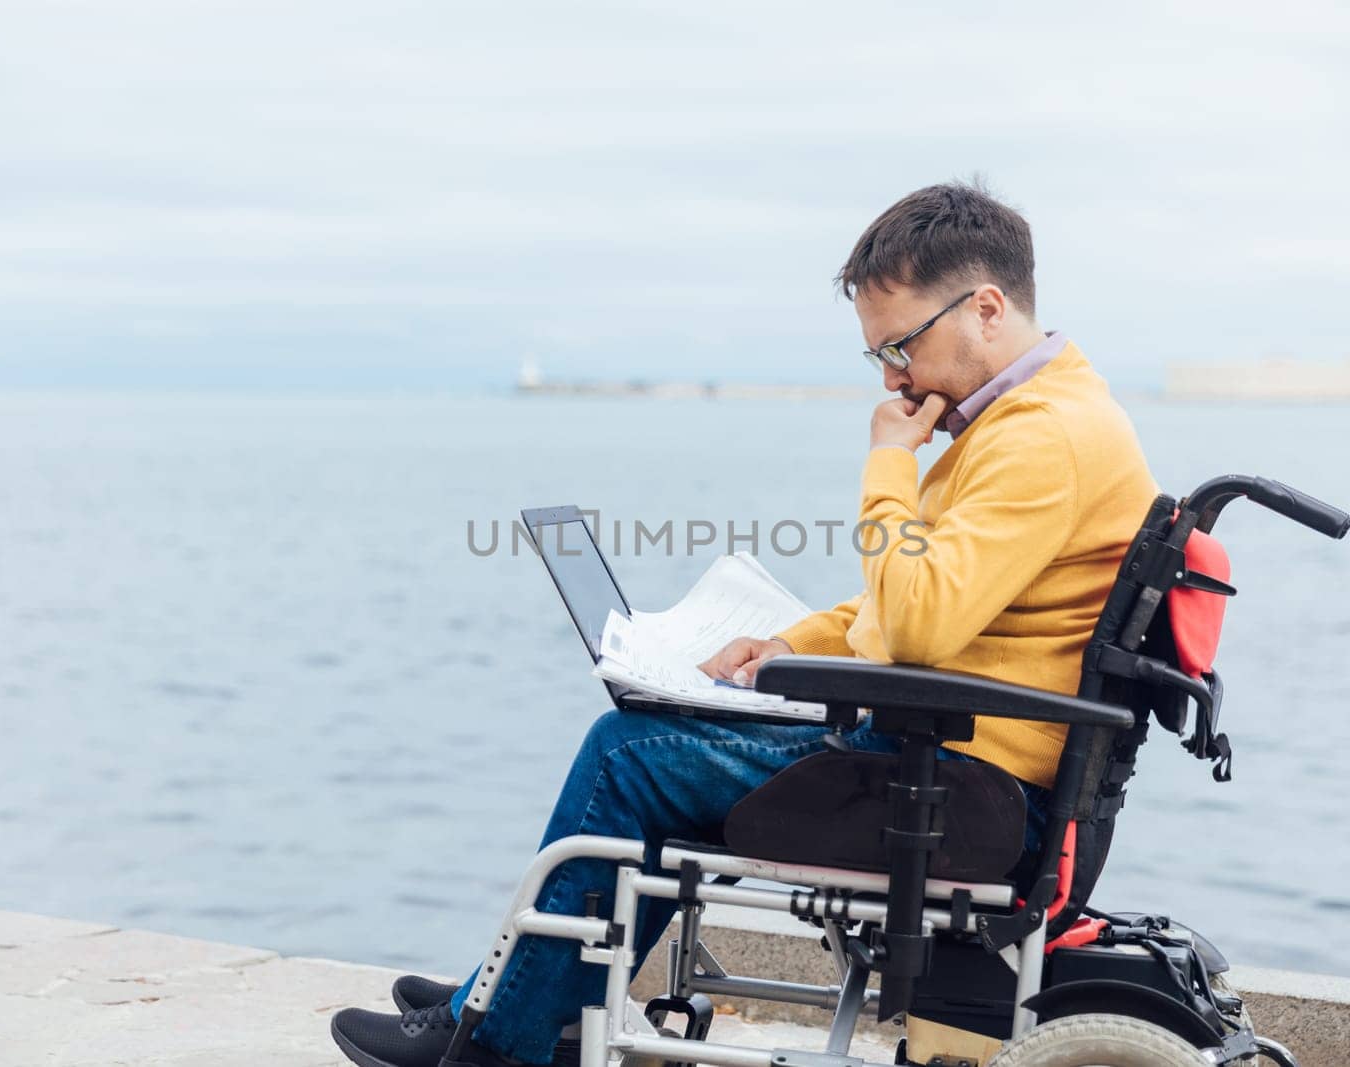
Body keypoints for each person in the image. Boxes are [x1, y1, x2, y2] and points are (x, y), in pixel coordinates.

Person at [330, 181, 1159, 1067]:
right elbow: (921, 602)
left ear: (986, 308)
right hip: (959, 768)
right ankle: (521, 1001)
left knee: (629, 753)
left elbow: (918, 624)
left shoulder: (1041, 439)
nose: (891, 376)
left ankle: (500, 1039)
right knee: (654, 738)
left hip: (968, 797)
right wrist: (797, 643)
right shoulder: (1037, 421)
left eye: (901, 345)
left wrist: (887, 459)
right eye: (878, 353)